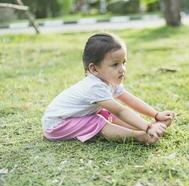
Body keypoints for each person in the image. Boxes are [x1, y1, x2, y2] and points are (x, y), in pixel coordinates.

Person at [41, 33, 175, 145]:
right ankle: (141, 136)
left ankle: (148, 129)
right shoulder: (94, 87)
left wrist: (156, 115)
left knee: (106, 113)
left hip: (74, 118)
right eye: (115, 64)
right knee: (99, 121)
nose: (122, 69)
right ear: (94, 69)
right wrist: (148, 127)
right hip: (57, 125)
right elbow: (121, 111)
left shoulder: (109, 81)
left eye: (123, 62)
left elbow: (131, 100)